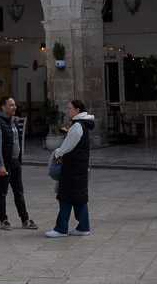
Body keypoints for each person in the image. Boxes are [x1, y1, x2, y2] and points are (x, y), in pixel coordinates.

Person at [47, 99, 94, 238]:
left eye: (69, 108)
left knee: (66, 197)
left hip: (73, 167)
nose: (67, 111)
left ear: (77, 110)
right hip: (78, 166)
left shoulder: (78, 126)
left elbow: (69, 144)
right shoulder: (81, 124)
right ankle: (83, 226)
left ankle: (61, 228)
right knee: (78, 197)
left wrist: (58, 153)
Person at [0, 96, 34, 230]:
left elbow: (15, 142)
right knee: (2, 193)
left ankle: (25, 219)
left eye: (15, 105)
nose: (15, 107)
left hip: (14, 162)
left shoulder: (13, 120)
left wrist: (19, 160)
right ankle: (3, 219)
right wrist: (0, 165)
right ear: (3, 107)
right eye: (11, 105)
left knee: (19, 191)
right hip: (4, 163)